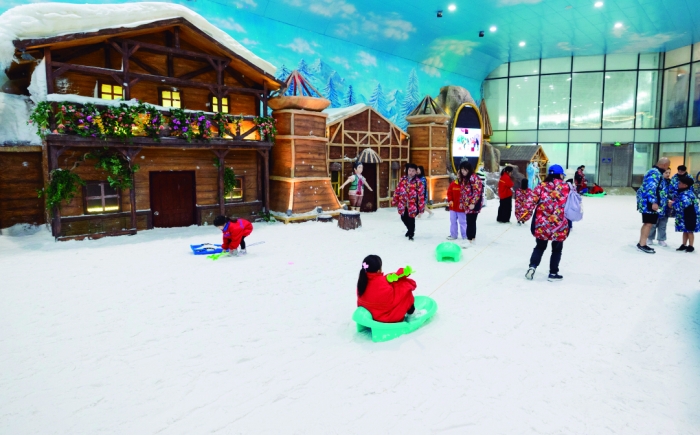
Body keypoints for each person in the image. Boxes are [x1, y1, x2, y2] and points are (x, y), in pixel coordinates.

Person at [525, 164, 571, 282]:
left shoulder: (541, 186)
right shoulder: (567, 187)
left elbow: (530, 201)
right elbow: (573, 204)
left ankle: (532, 267)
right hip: (559, 225)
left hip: (542, 224)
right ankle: (553, 273)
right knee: (557, 249)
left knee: (540, 247)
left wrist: (526, 215)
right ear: (560, 175)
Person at [356, 254, 418, 323]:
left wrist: (396, 276)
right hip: (384, 317)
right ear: (378, 270)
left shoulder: (362, 281)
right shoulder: (382, 283)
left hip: (369, 315)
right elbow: (393, 299)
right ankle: (412, 315)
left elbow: (383, 281)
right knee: (406, 290)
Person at [636, 157, 671, 254]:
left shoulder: (655, 172)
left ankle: (641, 243)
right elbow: (650, 188)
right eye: (667, 166)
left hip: (649, 202)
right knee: (648, 223)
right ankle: (642, 244)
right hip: (649, 203)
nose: (667, 168)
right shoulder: (654, 173)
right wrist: (653, 202)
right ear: (664, 165)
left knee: (648, 223)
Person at [391, 163, 425, 241]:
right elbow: (397, 190)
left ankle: (411, 234)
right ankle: (409, 229)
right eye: (409, 170)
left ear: (416, 172)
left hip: (413, 205)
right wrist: (394, 200)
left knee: (411, 219)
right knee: (403, 217)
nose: (411, 172)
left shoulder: (418, 182)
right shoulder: (402, 179)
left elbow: (421, 195)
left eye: (413, 171)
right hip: (402, 203)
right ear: (407, 170)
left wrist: (421, 207)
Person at [671, 175, 700, 252]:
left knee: (690, 230)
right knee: (685, 230)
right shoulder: (683, 192)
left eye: (680, 183)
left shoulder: (686, 194)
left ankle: (691, 246)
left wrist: (673, 205)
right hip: (685, 215)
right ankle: (684, 244)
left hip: (690, 215)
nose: (678, 184)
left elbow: (684, 204)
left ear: (685, 185)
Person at [459, 161, 484, 245]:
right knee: (470, 221)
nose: (463, 171)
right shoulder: (464, 178)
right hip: (467, 204)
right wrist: (461, 202)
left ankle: (470, 239)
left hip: (473, 204)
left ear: (469, 169)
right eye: (462, 169)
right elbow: (462, 191)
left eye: (465, 169)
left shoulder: (474, 177)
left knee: (471, 221)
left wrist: (473, 203)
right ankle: (472, 239)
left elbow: (477, 191)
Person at [648, 168, 672, 247]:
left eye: (669, 173)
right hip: (656, 206)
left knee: (663, 224)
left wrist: (671, 200)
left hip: (665, 207)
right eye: (666, 172)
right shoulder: (657, 181)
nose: (668, 174)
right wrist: (653, 202)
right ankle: (650, 238)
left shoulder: (670, 182)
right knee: (653, 224)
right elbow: (652, 192)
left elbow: (672, 193)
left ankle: (661, 239)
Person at [446, 166, 468, 242]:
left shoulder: (466, 184)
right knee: (453, 221)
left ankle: (465, 236)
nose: (459, 175)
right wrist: (450, 200)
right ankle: (453, 235)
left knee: (462, 222)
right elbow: (449, 193)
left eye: (460, 173)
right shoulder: (453, 184)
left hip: (461, 208)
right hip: (453, 207)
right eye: (458, 173)